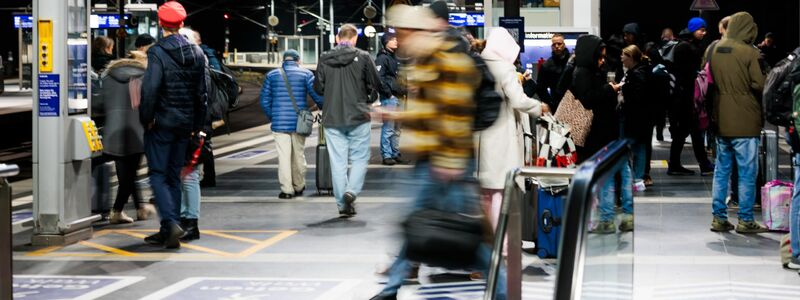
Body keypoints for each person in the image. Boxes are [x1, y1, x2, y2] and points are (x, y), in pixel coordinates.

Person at [370, 5, 505, 300]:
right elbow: (431, 111)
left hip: (447, 161)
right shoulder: (425, 60)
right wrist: (397, 116)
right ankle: (391, 288)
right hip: (432, 159)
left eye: (402, 33)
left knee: (466, 235)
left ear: (416, 32)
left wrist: (450, 161)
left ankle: (503, 290)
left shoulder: (446, 60)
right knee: (417, 224)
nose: (399, 39)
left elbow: (455, 113)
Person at [140, 1, 208, 249]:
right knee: (173, 176)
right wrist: (197, 125)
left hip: (161, 124)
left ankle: (170, 223)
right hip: (185, 124)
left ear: (161, 23)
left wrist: (146, 118)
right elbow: (202, 94)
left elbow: (150, 90)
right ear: (181, 23)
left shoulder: (157, 52)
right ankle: (169, 230)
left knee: (157, 175)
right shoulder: (197, 53)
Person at [478, 27, 546, 226]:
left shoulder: (478, 64)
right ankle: (503, 240)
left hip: (481, 135)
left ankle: (489, 238)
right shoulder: (504, 68)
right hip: (502, 136)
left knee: (487, 194)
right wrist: (538, 107)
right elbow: (518, 100)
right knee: (501, 192)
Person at [707, 12, 768, 234]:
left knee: (721, 171)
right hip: (746, 119)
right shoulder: (749, 52)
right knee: (747, 172)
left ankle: (719, 218)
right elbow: (760, 84)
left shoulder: (714, 49)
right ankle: (745, 219)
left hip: (720, 117)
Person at [313, 24, 381, 217]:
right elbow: (376, 83)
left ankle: (343, 205)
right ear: (354, 39)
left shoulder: (324, 57)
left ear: (337, 38)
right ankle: (352, 190)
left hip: (332, 117)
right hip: (358, 115)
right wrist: (370, 97)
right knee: (360, 157)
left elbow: (318, 88)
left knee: (338, 163)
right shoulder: (364, 56)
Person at [569, 34, 633, 233]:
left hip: (606, 129)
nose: (603, 60)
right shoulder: (582, 72)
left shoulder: (591, 70)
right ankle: (611, 218)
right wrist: (608, 89)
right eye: (600, 56)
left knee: (616, 170)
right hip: (597, 131)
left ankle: (614, 218)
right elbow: (587, 99)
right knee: (611, 171)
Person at [101, 51, 157, 224]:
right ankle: (117, 211)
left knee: (127, 174)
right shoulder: (143, 77)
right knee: (129, 175)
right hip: (136, 131)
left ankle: (140, 208)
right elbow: (148, 104)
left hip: (113, 131)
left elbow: (98, 104)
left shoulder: (108, 76)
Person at [260, 50, 323, 199]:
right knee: (298, 155)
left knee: (284, 157)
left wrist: (274, 117)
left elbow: (264, 101)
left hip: (279, 124)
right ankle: (299, 185)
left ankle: (287, 190)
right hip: (299, 122)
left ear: (283, 60)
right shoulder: (306, 74)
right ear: (298, 60)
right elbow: (317, 96)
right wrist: (323, 106)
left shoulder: (271, 75)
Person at [667, 17, 714, 176]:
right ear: (693, 29)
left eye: (704, 30)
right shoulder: (687, 47)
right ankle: (701, 164)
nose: (703, 33)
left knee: (688, 132)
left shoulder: (685, 44)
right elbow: (686, 74)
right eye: (701, 30)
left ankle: (682, 164)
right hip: (684, 97)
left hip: (684, 97)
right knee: (689, 131)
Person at [620, 45, 652, 189]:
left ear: (631, 57)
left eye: (623, 55)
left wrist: (624, 93)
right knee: (639, 148)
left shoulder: (637, 74)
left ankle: (635, 179)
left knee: (633, 148)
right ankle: (637, 179)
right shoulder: (640, 71)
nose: (621, 58)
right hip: (640, 118)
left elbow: (636, 98)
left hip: (635, 118)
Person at [375, 30, 405, 166]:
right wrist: (388, 94)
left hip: (399, 96)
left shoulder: (395, 57)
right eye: (393, 39)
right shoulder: (382, 58)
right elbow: (378, 78)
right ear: (386, 42)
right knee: (389, 128)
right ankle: (386, 155)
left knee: (397, 129)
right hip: (390, 98)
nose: (396, 41)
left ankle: (395, 153)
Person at [535, 33, 570, 110]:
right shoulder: (547, 66)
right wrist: (550, 103)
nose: (556, 46)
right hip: (557, 104)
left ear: (564, 45)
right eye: (554, 44)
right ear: (551, 47)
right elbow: (540, 88)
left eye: (559, 44)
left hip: (574, 103)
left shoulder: (573, 61)